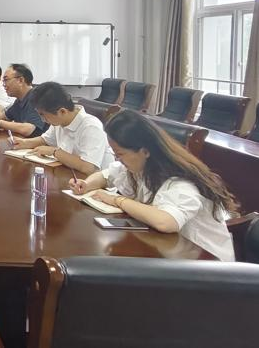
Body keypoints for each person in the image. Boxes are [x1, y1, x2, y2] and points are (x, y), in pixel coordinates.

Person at [70, 109, 237, 261]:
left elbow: (166, 222)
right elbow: (106, 175)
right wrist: (87, 184)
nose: (118, 159)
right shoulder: (140, 166)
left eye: (120, 154)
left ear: (145, 151)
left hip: (206, 263)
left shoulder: (180, 181)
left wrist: (117, 200)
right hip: (170, 252)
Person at [14, 81, 114, 174]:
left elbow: (88, 167)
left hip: (96, 183)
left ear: (62, 111)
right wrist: (24, 143)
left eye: (43, 115)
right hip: (70, 175)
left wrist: (54, 152)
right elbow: (46, 140)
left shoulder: (91, 127)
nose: (43, 120)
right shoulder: (59, 121)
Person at [0, 63, 47, 137]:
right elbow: (5, 116)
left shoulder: (36, 97)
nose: (3, 84)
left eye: (6, 80)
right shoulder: (19, 100)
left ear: (20, 80)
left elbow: (28, 129)